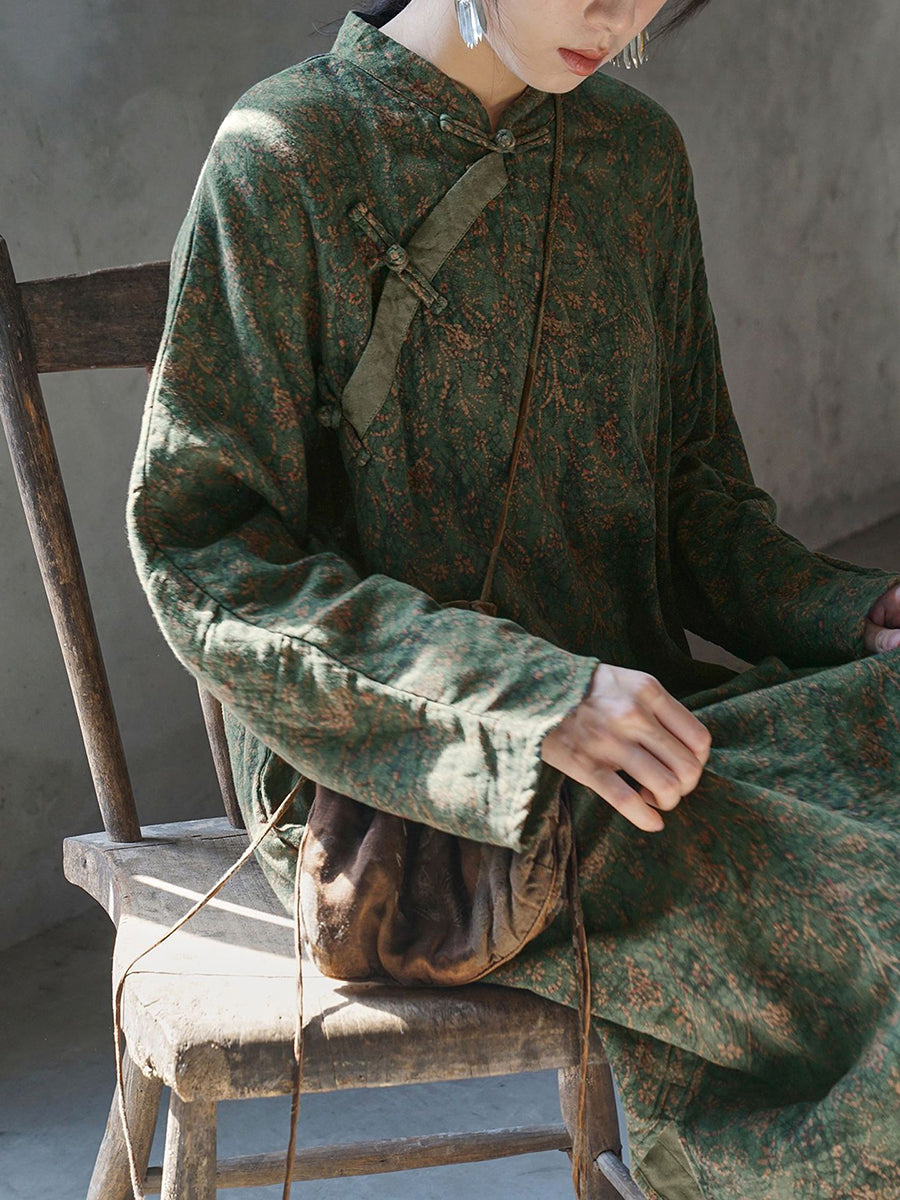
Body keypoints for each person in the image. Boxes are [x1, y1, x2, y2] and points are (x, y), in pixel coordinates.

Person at [125, 1, 900, 1196]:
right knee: (873, 908)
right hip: (399, 791)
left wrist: (851, 615)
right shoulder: (285, 156)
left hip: (653, 731)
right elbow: (207, 554)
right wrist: (533, 696)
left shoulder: (635, 158)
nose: (619, 12)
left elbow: (696, 503)